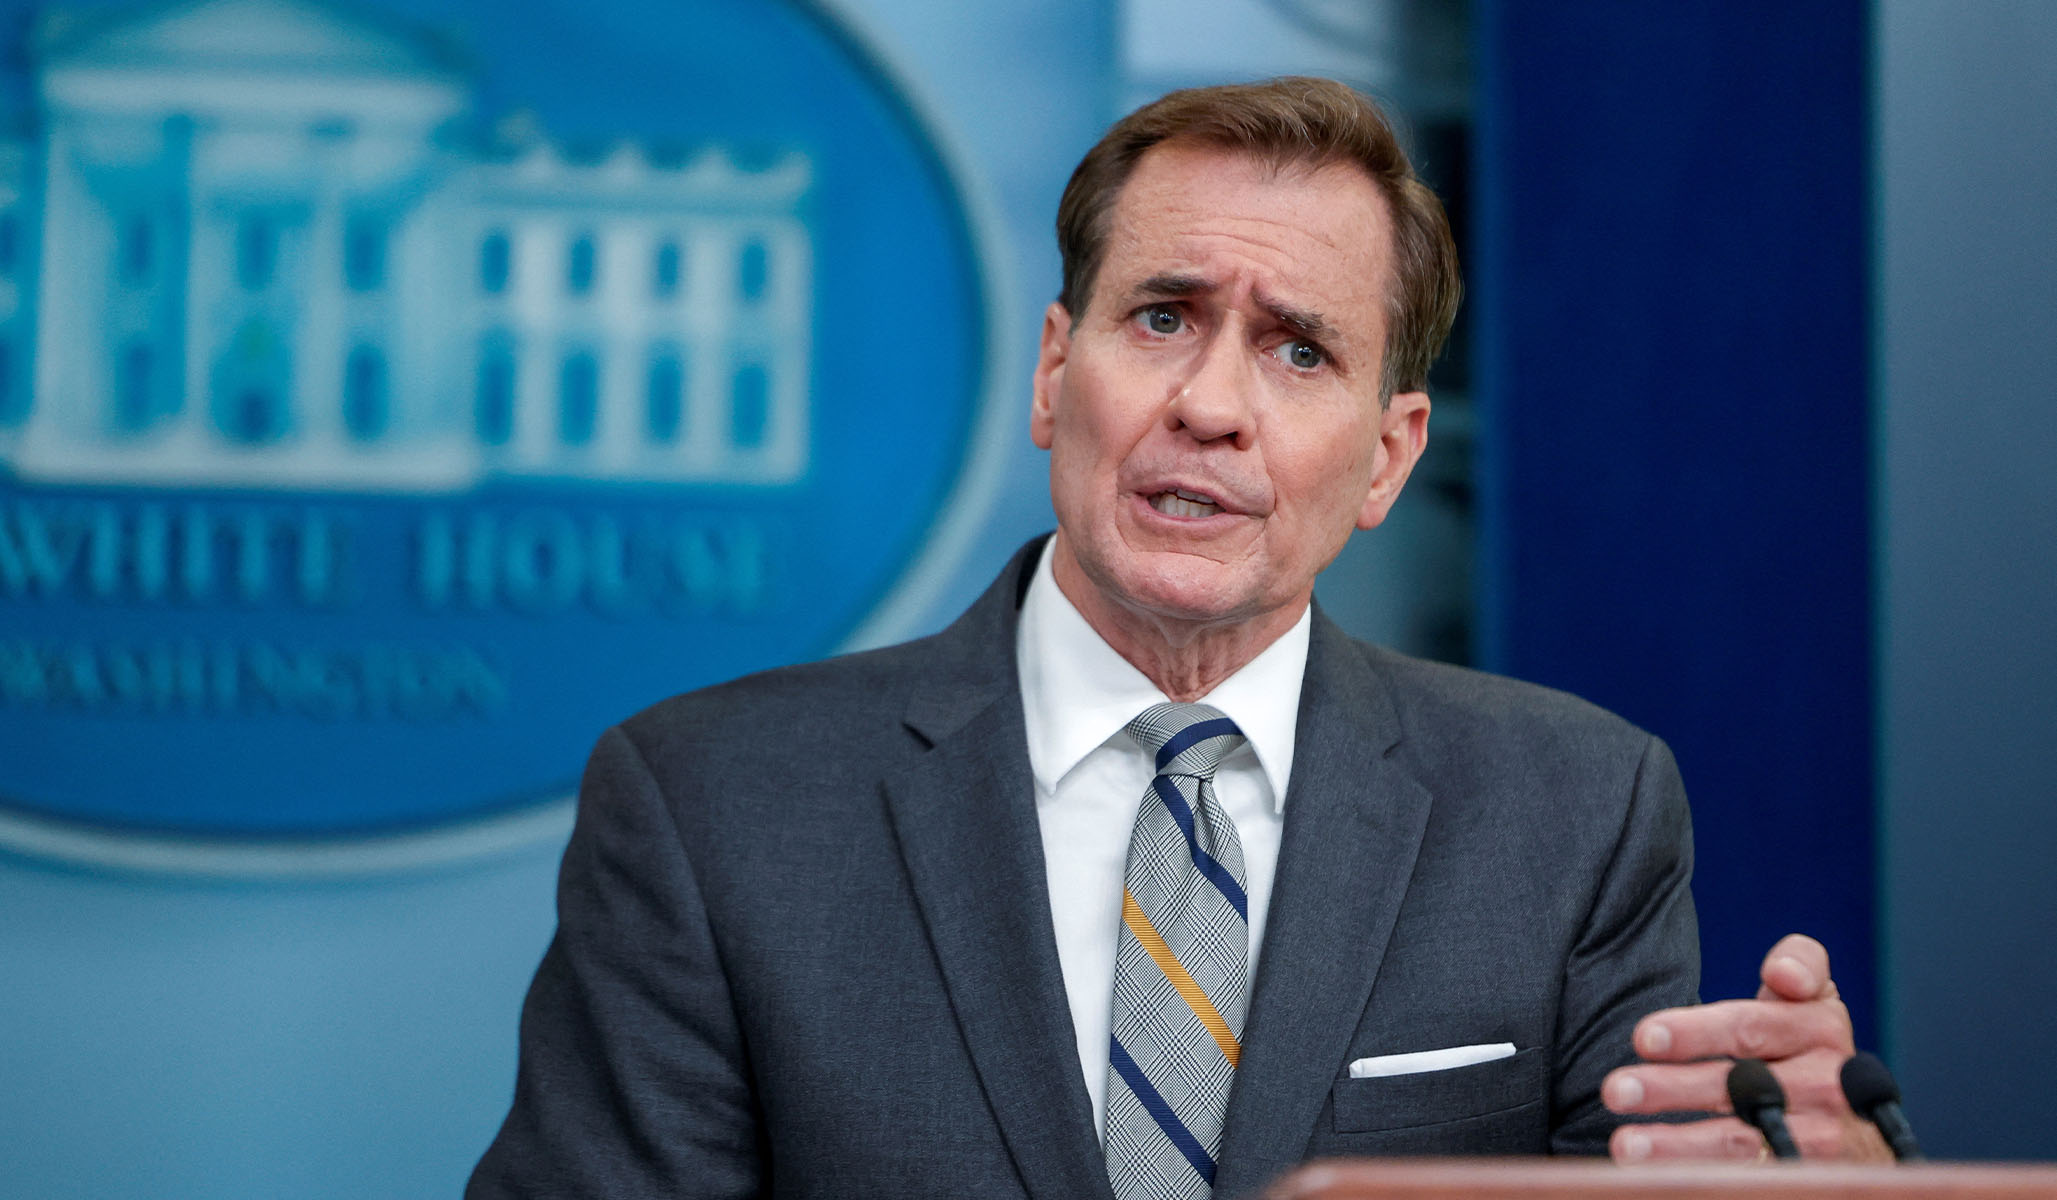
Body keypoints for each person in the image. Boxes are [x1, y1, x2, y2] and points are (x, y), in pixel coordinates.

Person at [468, 77, 1883, 1199]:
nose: (1208, 405)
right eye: (1161, 317)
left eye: (1299, 351)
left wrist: (1822, 1177)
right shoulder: (712, 805)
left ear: (1389, 459)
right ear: (1052, 373)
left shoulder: (1574, 809)